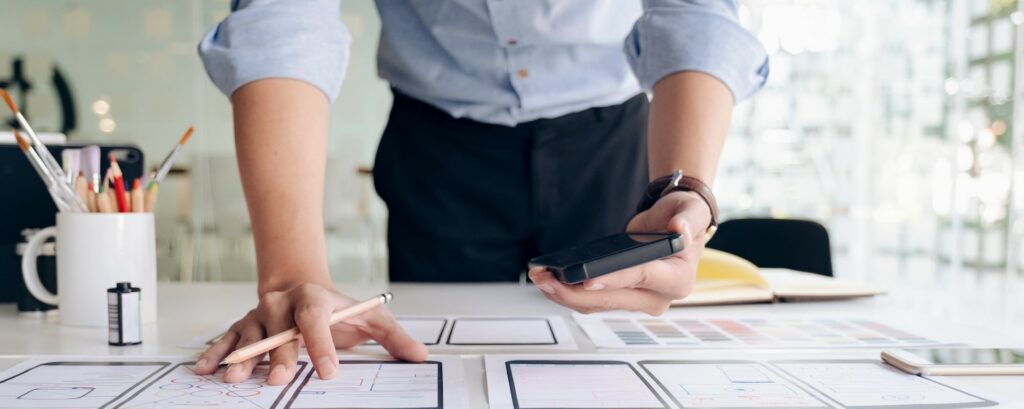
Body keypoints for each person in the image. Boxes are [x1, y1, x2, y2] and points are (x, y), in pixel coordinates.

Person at [193, 0, 768, 385]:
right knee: (430, 365)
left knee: (606, 361)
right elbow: (283, 19)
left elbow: (695, 11)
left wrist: (685, 184)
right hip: (440, 141)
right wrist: (292, 273)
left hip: (610, 134)